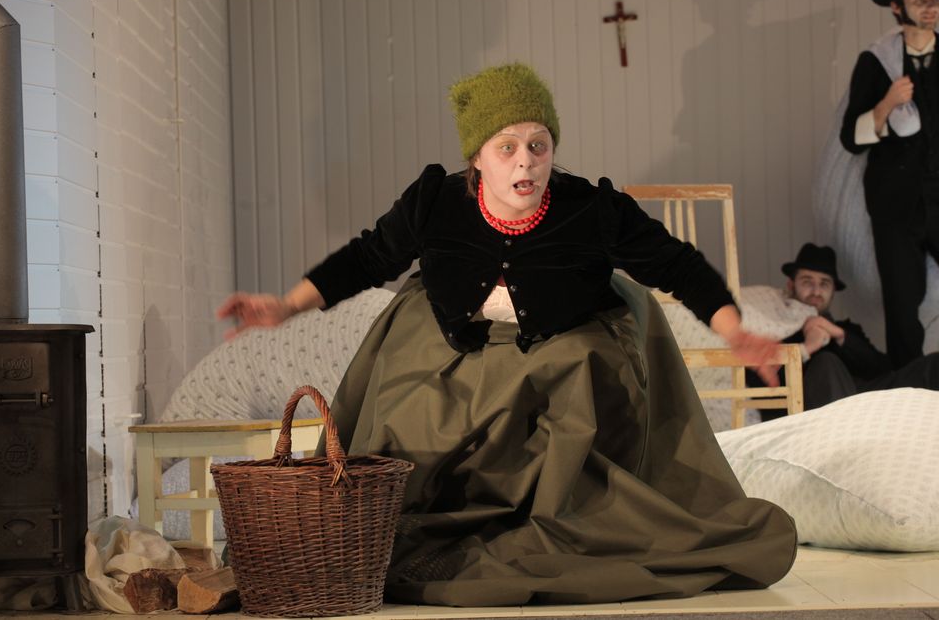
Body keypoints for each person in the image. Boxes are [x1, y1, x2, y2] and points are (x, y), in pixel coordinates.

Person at [217, 63, 796, 606]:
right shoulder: (435, 202)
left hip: (562, 339)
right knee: (409, 412)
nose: (527, 164)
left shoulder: (591, 209)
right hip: (455, 340)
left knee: (570, 383)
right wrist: (286, 306)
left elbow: (677, 264)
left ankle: (558, 520)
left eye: (539, 146)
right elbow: (368, 257)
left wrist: (734, 329)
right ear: (478, 157)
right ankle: (395, 531)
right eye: (508, 148)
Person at [839, 0, 939, 369]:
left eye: (936, 0)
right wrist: (887, 103)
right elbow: (851, 137)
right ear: (897, 7)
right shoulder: (876, 63)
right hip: (895, 206)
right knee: (902, 304)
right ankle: (909, 388)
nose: (931, 7)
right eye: (920, 0)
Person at [751, 243, 939, 422]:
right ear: (791, 286)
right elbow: (757, 384)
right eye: (807, 282)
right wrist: (806, 348)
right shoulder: (777, 328)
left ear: (833, 291)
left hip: (861, 399)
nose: (816, 291)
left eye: (824, 284)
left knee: (933, 364)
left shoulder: (847, 330)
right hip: (811, 409)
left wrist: (840, 336)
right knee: (826, 362)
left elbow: (884, 369)